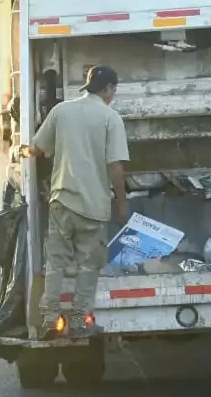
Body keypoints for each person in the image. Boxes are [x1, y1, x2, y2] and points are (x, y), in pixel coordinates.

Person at [19, 65, 130, 339]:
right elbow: (115, 166)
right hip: (93, 206)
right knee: (88, 264)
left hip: (62, 200)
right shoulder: (110, 118)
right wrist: (122, 205)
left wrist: (20, 151)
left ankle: (49, 319)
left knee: (56, 262)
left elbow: (37, 148)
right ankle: (79, 321)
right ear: (109, 89)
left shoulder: (61, 111)